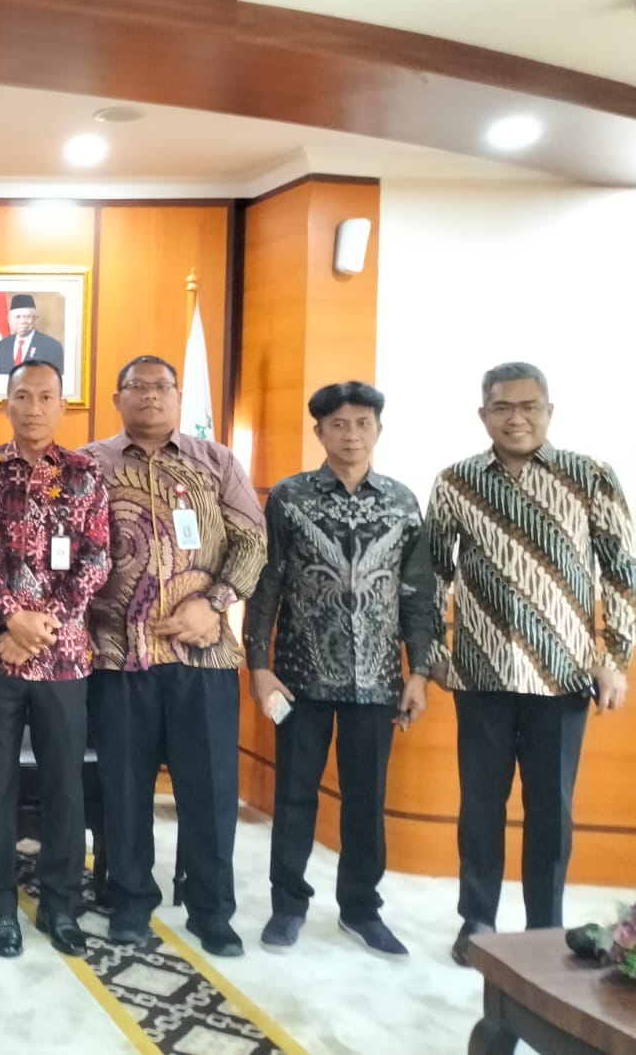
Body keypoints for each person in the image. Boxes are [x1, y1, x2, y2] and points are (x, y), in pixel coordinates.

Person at [427, 362, 636, 965]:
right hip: (482, 674)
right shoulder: (456, 482)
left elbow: (623, 573)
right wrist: (434, 653)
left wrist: (614, 658)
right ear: (483, 414)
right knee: (480, 806)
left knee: (551, 811)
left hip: (563, 676)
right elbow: (432, 573)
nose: (515, 418)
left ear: (549, 411)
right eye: (502, 407)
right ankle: (477, 921)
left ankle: (545, 927)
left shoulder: (590, 476)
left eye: (528, 406)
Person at [82, 354, 266, 958]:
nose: (151, 396)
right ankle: (130, 901)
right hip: (118, 657)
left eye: (163, 386)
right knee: (124, 789)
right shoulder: (89, 465)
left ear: (179, 397)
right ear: (117, 399)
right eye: (137, 386)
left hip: (203, 657)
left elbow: (252, 541)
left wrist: (214, 604)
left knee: (210, 792)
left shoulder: (216, 462)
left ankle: (212, 910)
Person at [243, 381, 433, 960]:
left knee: (366, 802)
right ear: (319, 432)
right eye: (339, 425)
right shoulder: (290, 498)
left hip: (377, 680)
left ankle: (360, 908)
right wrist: (259, 664)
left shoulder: (402, 502)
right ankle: (287, 905)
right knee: (294, 795)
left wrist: (419, 672)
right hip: (300, 677)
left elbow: (417, 595)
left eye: (362, 424)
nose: (351, 435)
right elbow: (267, 585)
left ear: (378, 430)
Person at [0, 359, 111, 959]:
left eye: (46, 397)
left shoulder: (87, 474)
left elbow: (97, 559)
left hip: (62, 658)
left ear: (62, 406)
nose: (35, 407)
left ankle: (61, 904)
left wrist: (41, 627)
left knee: (64, 783)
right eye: (23, 396)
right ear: (7, 404)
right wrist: (12, 617)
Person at [0, 294, 65, 374]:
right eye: (17, 317)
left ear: (35, 318)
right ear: (9, 320)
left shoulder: (52, 346)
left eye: (27, 317)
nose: (22, 321)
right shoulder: (3, 345)